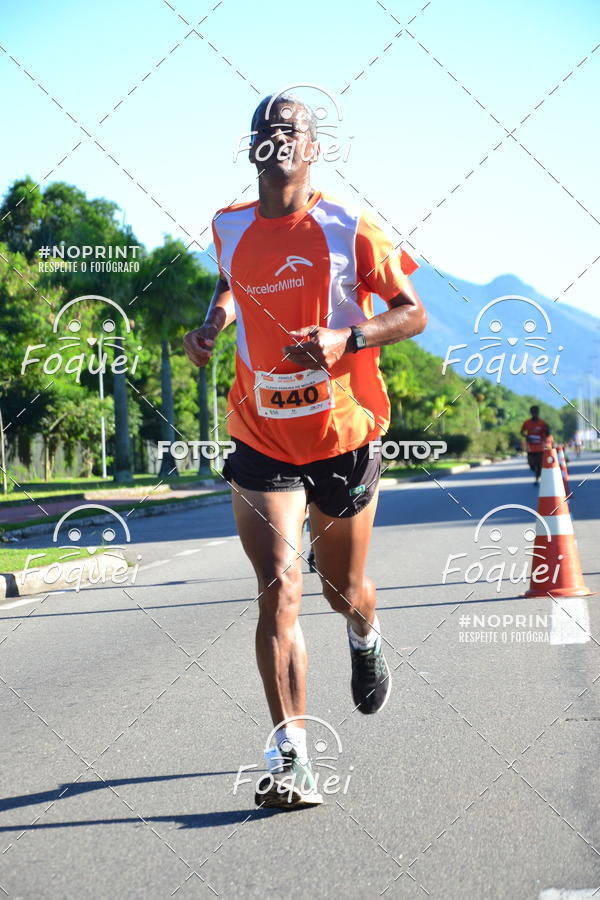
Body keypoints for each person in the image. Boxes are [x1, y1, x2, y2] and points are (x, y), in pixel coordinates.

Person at [183, 91, 427, 809]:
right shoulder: (228, 226)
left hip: (340, 437)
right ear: (251, 145)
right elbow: (231, 285)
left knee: (339, 590)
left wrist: (346, 340)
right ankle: (293, 757)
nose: (278, 137)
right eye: (266, 128)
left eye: (292, 129)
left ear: (313, 148)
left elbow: (413, 313)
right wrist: (210, 326)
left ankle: (364, 633)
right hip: (260, 435)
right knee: (278, 590)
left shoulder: (349, 227)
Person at [520, 405, 551, 484]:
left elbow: (548, 434)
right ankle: (534, 470)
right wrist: (526, 436)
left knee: (540, 464)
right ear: (530, 413)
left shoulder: (542, 423)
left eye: (535, 412)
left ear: (538, 413)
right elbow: (522, 432)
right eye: (532, 412)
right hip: (530, 446)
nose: (534, 414)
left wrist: (547, 430)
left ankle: (537, 478)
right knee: (531, 464)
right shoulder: (527, 422)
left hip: (540, 446)